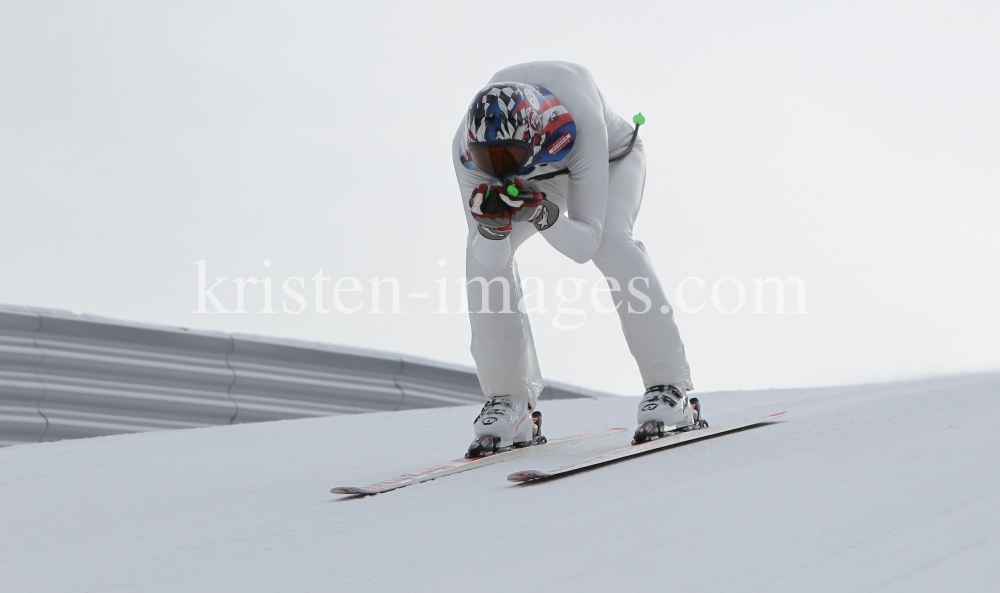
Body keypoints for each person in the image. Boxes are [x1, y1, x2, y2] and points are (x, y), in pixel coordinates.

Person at [453, 61, 701, 457]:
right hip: (536, 179)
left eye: (508, 155)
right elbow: (490, 256)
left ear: (536, 133)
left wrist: (542, 214)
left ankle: (670, 385)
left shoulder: (581, 119)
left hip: (607, 161)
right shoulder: (464, 149)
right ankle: (510, 398)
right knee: (479, 255)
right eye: (490, 161)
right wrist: (492, 230)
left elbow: (585, 245)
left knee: (612, 244)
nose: (499, 169)